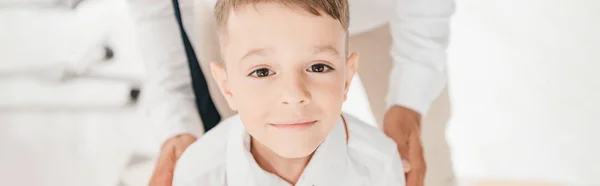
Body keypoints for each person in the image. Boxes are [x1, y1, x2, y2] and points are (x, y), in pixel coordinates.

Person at [126, 0, 454, 185]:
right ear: (228, 86)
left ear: (346, 76)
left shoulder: (382, 165)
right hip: (238, 17)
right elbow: (156, 11)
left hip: (377, 11)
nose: (293, 95)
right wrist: (176, 122)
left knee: (423, 160)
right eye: (262, 73)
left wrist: (410, 100)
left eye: (319, 68)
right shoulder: (200, 171)